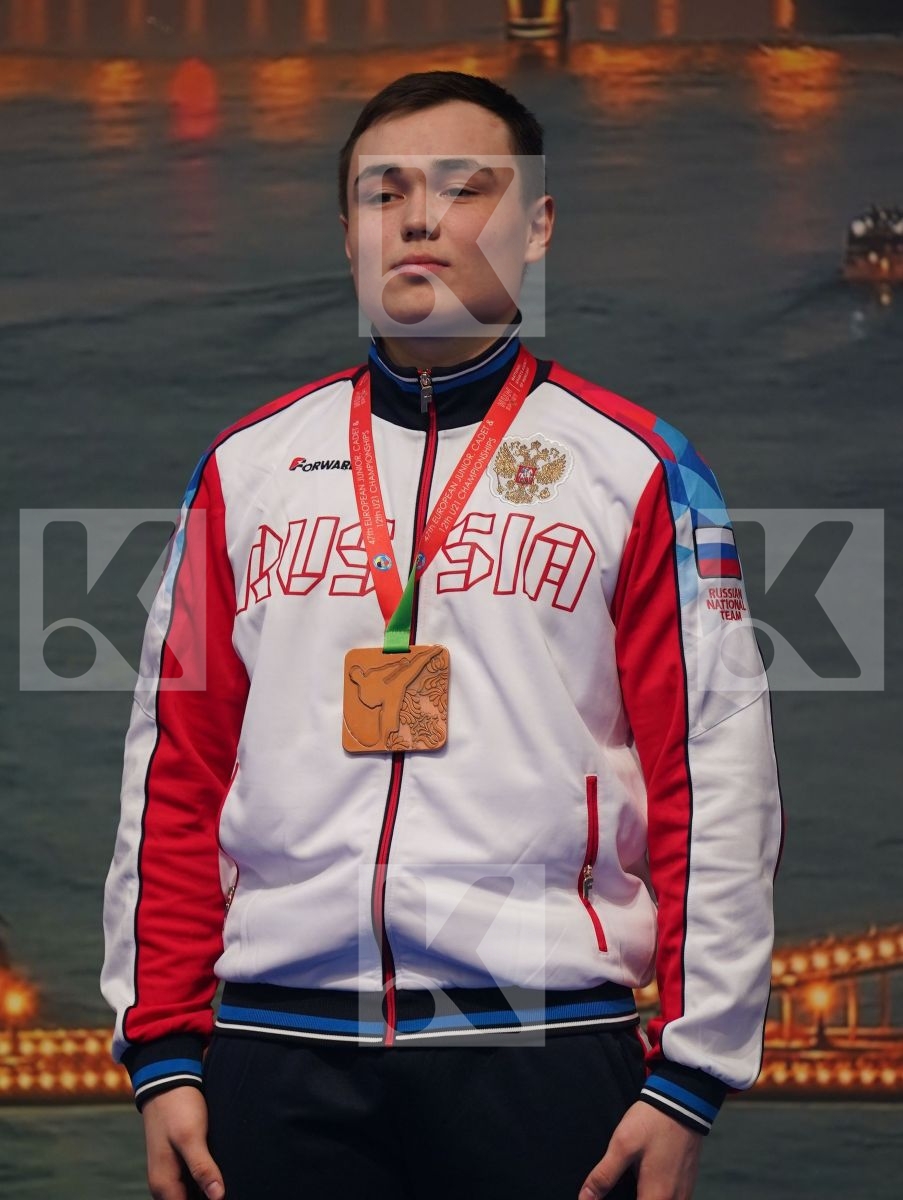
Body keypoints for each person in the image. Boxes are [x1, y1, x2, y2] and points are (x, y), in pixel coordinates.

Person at [100, 70, 785, 1200]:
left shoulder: (640, 472)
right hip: (272, 1049)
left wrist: (692, 1071)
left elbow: (715, 777)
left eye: (467, 189)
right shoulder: (243, 471)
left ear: (539, 223)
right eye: (384, 194)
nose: (420, 218)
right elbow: (175, 771)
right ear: (348, 232)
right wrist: (162, 1048)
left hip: (550, 1043)